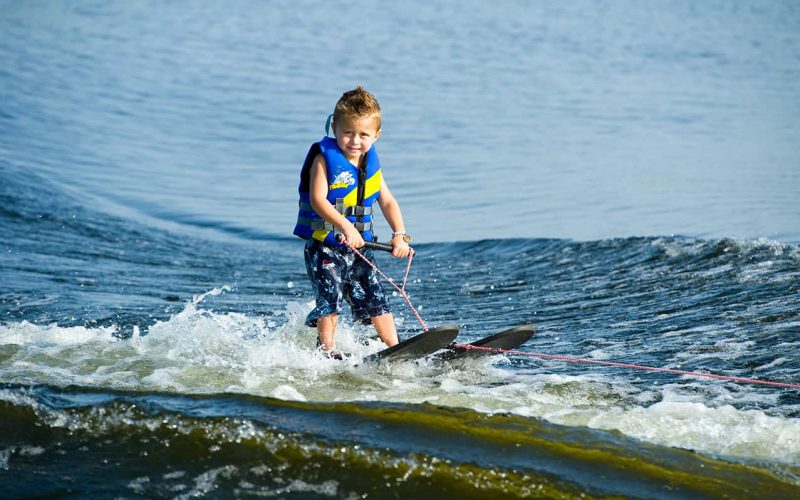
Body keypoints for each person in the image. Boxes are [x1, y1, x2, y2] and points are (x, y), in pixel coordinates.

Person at [293, 86, 413, 357]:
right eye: (348, 132)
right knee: (330, 296)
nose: (355, 141)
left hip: (361, 246)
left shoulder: (369, 164)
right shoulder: (324, 160)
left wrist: (400, 234)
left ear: (376, 135)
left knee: (375, 295)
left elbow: (388, 201)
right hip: (326, 246)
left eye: (363, 135)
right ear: (334, 127)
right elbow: (318, 199)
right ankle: (326, 351)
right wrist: (345, 226)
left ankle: (395, 348)